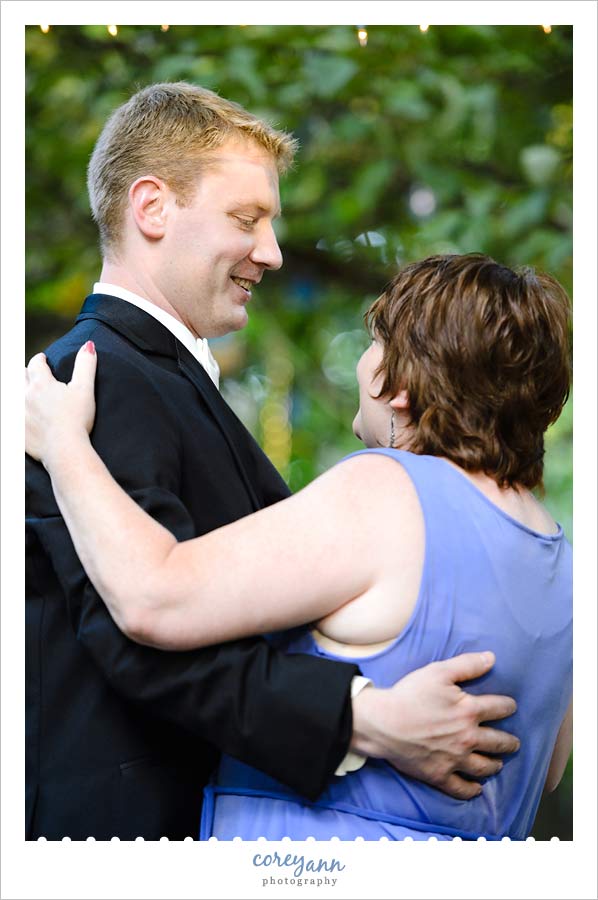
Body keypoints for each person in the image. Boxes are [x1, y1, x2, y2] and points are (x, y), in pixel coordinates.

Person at [25, 83, 519, 841]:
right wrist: (363, 718)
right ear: (152, 208)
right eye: (247, 219)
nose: (272, 252)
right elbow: (135, 631)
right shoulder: (98, 379)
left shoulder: (159, 378)